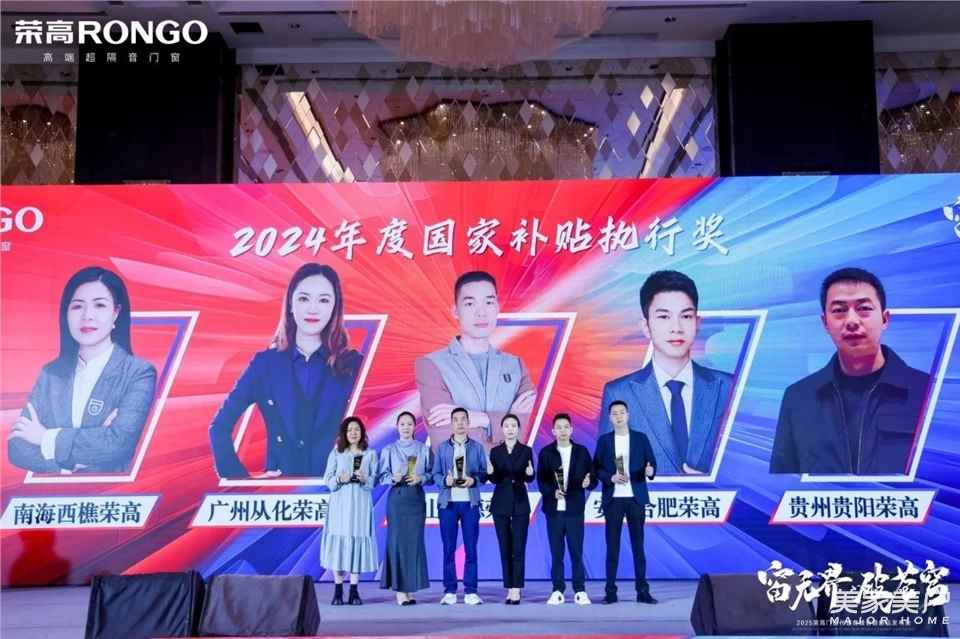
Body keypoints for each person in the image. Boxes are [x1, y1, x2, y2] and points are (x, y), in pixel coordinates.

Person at [770, 267, 931, 475]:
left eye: (864, 308)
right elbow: (781, 483)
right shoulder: (798, 398)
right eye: (839, 310)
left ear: (885, 319)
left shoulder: (928, 393)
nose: (852, 321)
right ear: (825, 323)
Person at [208, 263, 362, 479]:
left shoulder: (354, 364)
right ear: (290, 303)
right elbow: (219, 427)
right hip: (281, 493)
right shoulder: (265, 364)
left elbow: (376, 431)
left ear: (334, 308)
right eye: (304, 298)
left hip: (335, 489)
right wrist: (242, 483)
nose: (313, 309)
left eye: (324, 300)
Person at [8, 266, 157, 474]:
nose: (87, 316)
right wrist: (73, 464)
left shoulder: (138, 373)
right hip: (57, 493)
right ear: (66, 314)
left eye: (99, 305)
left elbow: (118, 445)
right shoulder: (51, 374)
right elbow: (17, 447)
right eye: (77, 306)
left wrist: (45, 437)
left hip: (112, 492)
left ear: (116, 313)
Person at [598, 270, 733, 475]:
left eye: (686, 316)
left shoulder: (728, 387)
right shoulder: (619, 392)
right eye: (663, 317)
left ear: (697, 323)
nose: (676, 328)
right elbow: (607, 469)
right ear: (646, 326)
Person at [416, 271, 536, 454]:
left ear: (497, 307)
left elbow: (524, 431)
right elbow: (445, 438)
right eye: (470, 303)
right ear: (455, 311)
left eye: (489, 302)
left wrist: (481, 420)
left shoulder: (516, 366)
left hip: (509, 472)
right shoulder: (431, 365)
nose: (481, 312)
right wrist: (506, 421)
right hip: (459, 471)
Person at [594, 400, 658, 605]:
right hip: (613, 499)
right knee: (612, 547)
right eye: (615, 413)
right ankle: (610, 592)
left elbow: (652, 463)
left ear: (628, 415)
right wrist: (611, 477)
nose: (619, 416)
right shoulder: (604, 441)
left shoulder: (640, 438)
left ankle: (642, 591)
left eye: (622, 412)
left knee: (638, 547)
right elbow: (596, 468)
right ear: (610, 418)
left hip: (635, 498)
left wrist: (650, 470)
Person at [537, 413, 596, 606]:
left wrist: (589, 482)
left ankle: (580, 590)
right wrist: (552, 492)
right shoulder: (546, 453)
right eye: (559, 427)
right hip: (554, 511)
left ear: (571, 430)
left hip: (574, 510)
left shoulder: (581, 452)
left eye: (566, 427)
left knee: (576, 552)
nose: (562, 430)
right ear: (553, 431)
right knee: (556, 553)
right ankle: (557, 590)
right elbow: (541, 480)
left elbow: (592, 477)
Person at [431, 407, 488, 605]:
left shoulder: (477, 447)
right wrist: (444, 481)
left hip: (470, 503)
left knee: (471, 548)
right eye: (456, 419)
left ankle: (471, 590)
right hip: (448, 504)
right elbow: (435, 474)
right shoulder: (442, 448)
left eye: (464, 419)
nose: (460, 423)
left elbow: (484, 473)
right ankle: (450, 590)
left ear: (468, 422)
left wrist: (474, 480)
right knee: (448, 548)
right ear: (452, 423)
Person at [320, 416, 379, 605]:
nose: (353, 433)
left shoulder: (370, 454)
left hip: (360, 504)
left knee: (356, 544)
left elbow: (373, 482)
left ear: (362, 433)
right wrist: (339, 479)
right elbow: (327, 480)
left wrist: (364, 479)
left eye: (357, 429)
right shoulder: (336, 453)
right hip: (340, 505)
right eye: (350, 430)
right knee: (340, 545)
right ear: (344, 433)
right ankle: (338, 590)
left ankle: (354, 590)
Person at [378, 411, 431, 605]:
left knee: (414, 544)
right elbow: (381, 476)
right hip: (398, 499)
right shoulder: (389, 450)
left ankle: (410, 588)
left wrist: (421, 478)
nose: (406, 427)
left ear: (414, 427)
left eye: (409, 424)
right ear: (397, 427)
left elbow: (431, 475)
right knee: (398, 543)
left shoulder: (423, 449)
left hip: (416, 498)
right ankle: (400, 590)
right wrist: (393, 478)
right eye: (402, 424)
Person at [487, 413, 535, 605]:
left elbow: (530, 476)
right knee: (504, 546)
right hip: (500, 503)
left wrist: (530, 474)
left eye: (513, 425)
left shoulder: (526, 450)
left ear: (518, 429)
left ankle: (516, 588)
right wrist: (490, 473)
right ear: (502, 429)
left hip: (520, 502)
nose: (510, 429)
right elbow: (494, 479)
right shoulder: (495, 451)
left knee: (519, 547)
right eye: (506, 425)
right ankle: (509, 586)